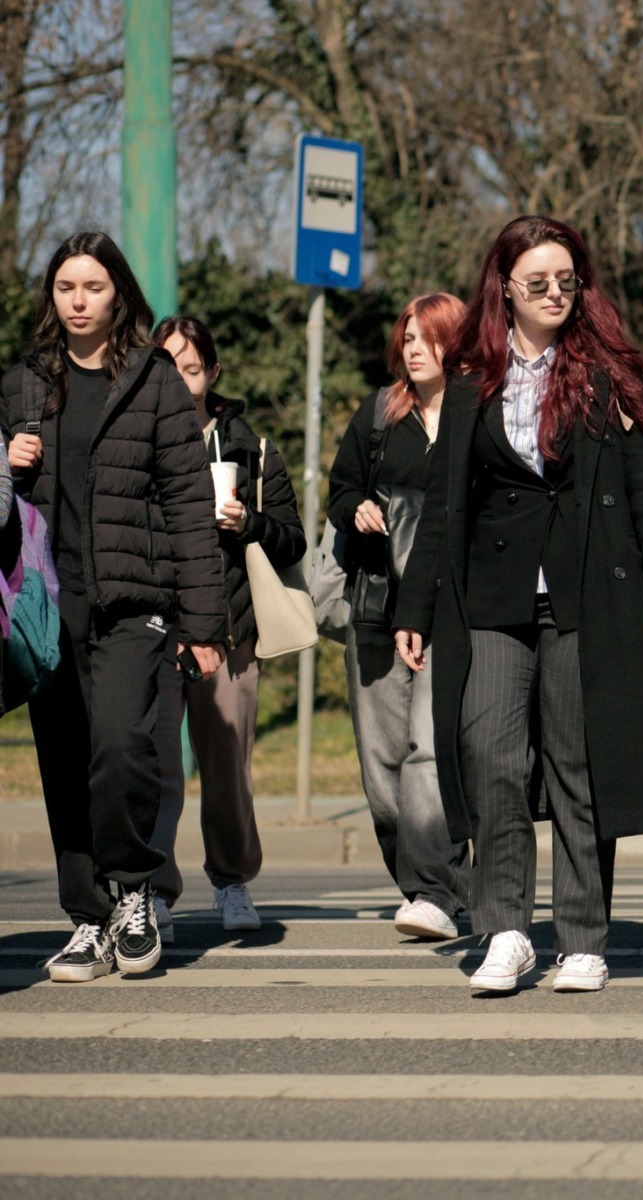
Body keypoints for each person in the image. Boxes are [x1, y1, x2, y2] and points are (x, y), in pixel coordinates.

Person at [393, 215, 643, 994]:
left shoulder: (608, 373)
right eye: (539, 283)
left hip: (589, 591)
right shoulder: (469, 380)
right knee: (489, 754)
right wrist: (414, 609)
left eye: (567, 281)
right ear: (504, 288)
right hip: (491, 598)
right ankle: (505, 933)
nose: (556, 293)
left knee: (578, 766)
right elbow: (445, 504)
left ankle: (584, 937)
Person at [1, 231, 226, 981]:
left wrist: (203, 624)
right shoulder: (26, 381)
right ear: (51, 296)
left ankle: (132, 892)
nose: (78, 300)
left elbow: (191, 507)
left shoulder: (154, 380)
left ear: (118, 293)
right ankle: (87, 920)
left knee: (123, 747)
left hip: (134, 602)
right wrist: (11, 462)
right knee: (66, 762)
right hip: (49, 604)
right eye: (66, 287)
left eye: (92, 287)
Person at [138, 315, 303, 937]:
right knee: (154, 764)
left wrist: (249, 523)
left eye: (190, 368)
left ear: (211, 374)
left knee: (228, 764)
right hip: (156, 626)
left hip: (231, 630)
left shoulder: (250, 450)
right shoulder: (136, 440)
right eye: (166, 367)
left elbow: (293, 540)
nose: (179, 382)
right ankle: (152, 891)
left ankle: (231, 882)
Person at [329, 294, 470, 940]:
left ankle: (434, 889)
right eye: (406, 338)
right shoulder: (381, 415)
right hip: (379, 607)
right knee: (381, 771)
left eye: (427, 337)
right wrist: (355, 507)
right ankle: (430, 883)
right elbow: (339, 489)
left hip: (451, 611)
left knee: (427, 754)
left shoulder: (478, 413)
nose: (413, 348)